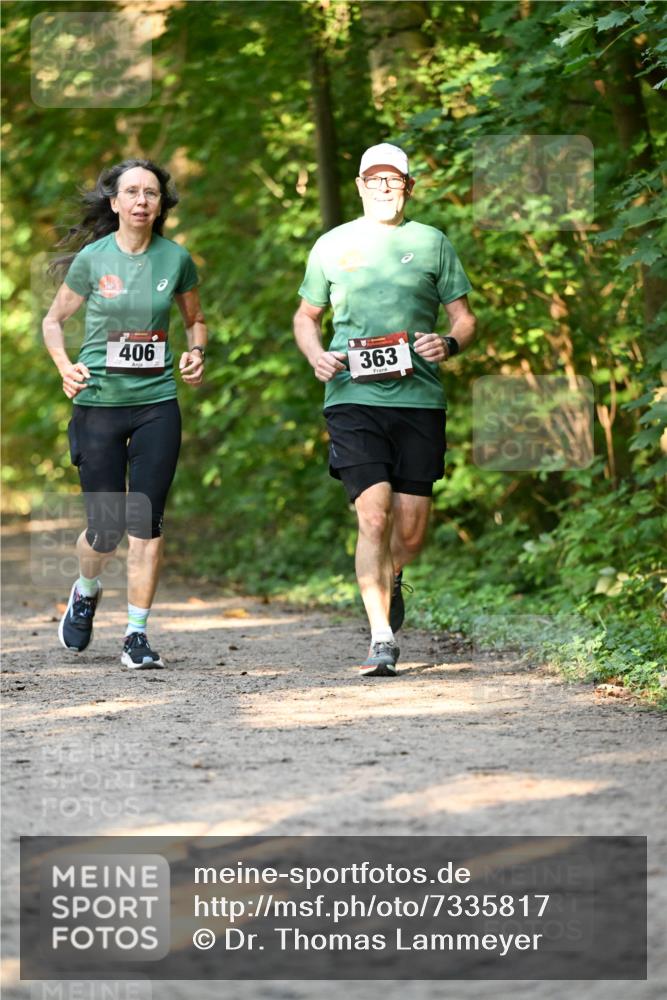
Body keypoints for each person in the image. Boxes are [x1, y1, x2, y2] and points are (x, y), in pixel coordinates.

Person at [294, 142, 475, 677]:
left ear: (408, 187)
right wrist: (316, 355)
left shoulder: (431, 242)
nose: (383, 188)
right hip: (353, 396)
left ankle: (392, 577)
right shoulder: (332, 244)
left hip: (419, 398)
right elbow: (306, 316)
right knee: (373, 514)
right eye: (373, 180)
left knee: (411, 532)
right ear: (359, 186)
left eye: (393, 180)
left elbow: (464, 318)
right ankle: (380, 638)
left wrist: (450, 343)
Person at [42, 158, 207, 669]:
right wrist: (66, 366)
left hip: (157, 404)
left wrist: (196, 352)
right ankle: (86, 589)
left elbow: (195, 320)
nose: (141, 201)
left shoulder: (176, 259)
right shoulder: (93, 260)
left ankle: (136, 635)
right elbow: (53, 322)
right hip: (98, 407)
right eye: (131, 192)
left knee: (147, 521)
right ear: (114, 203)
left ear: (161, 205)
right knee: (107, 527)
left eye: (151, 193)